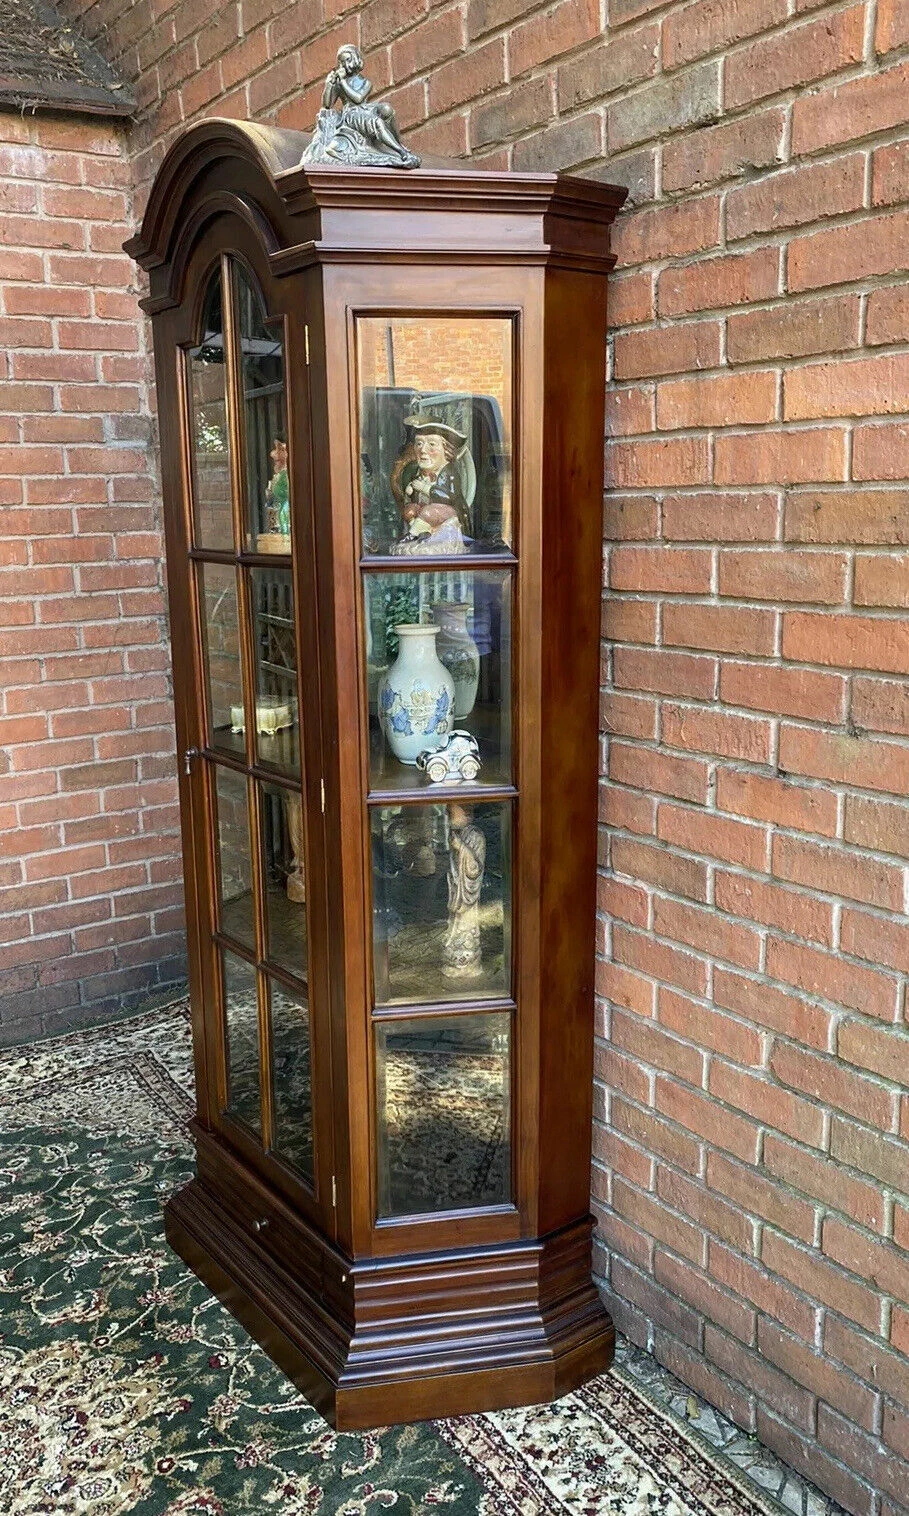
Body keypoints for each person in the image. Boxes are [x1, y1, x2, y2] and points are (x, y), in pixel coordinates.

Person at [311, 46, 419, 169]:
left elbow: (359, 98)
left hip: (365, 108)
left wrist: (342, 82)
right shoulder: (340, 82)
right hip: (351, 114)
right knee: (377, 122)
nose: (344, 64)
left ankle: (397, 143)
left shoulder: (365, 82)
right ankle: (401, 152)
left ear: (355, 60)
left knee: (387, 109)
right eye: (341, 62)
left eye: (347, 59)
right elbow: (327, 105)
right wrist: (329, 85)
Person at [391, 421, 471, 556]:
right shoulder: (417, 471)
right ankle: (423, 533)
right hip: (424, 511)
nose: (423, 450)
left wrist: (426, 488)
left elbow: (450, 497)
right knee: (409, 510)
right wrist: (411, 489)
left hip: (447, 513)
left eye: (432, 444)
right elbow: (415, 494)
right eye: (419, 444)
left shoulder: (449, 472)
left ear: (446, 451)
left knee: (429, 511)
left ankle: (412, 535)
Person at [264, 432, 289, 536]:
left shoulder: (286, 474)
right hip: (280, 509)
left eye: (280, 449)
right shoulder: (279, 474)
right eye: (276, 448)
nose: (274, 454)